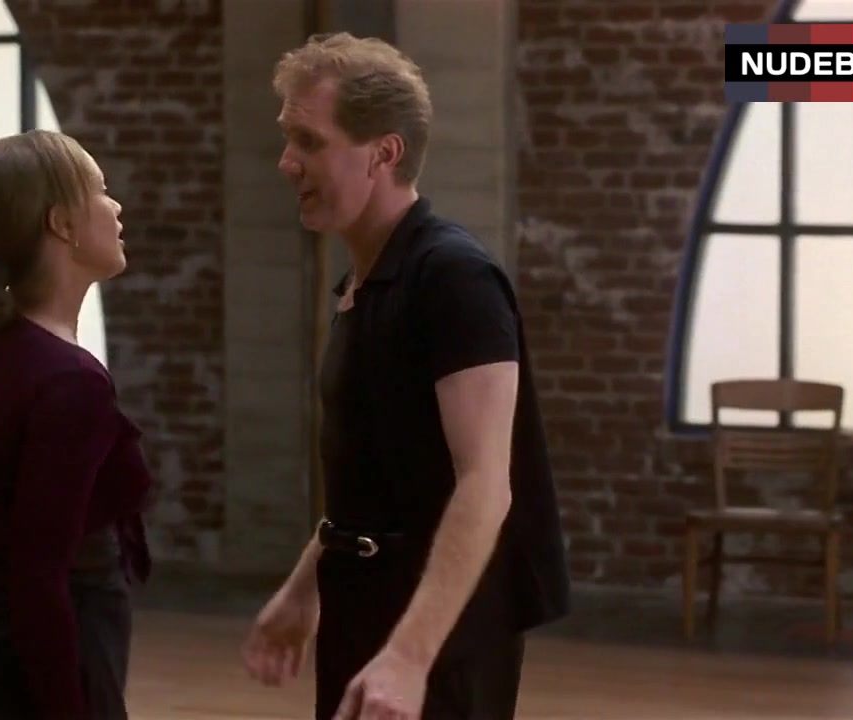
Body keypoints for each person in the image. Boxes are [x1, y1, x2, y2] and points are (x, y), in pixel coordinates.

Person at [241, 33, 570, 720]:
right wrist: (306, 583)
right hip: (364, 603)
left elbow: (485, 484)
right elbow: (378, 474)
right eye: (288, 139)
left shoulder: (454, 277)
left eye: (308, 141)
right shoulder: (362, 284)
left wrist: (410, 655)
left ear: (384, 153)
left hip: (442, 627)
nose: (287, 162)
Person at [0, 129, 151, 720]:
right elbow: (39, 579)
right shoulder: (71, 381)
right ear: (62, 224)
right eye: (100, 190)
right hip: (53, 671)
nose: (116, 206)